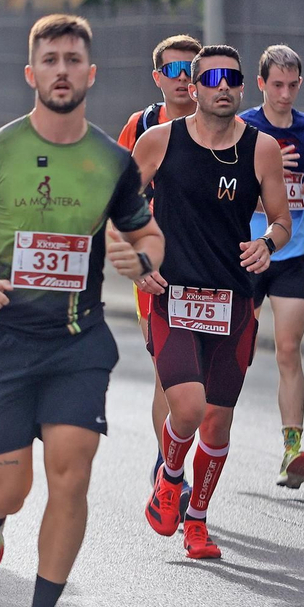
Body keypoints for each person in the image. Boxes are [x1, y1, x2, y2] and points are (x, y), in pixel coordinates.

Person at [0, 14, 166, 607]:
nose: (62, 70)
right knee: (9, 489)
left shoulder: (111, 161)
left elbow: (146, 232)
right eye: (51, 60)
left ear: (91, 73)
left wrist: (143, 258)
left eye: (73, 60)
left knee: (72, 470)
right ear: (31, 73)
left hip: (76, 341)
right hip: (3, 342)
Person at [131, 44, 292, 560]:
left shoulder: (262, 149)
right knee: (188, 406)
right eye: (212, 78)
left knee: (218, 421)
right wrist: (139, 260)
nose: (223, 86)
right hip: (173, 295)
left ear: (242, 87)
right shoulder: (159, 141)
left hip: (233, 300)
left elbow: (282, 221)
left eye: (232, 78)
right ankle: (169, 477)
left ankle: (196, 521)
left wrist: (267, 244)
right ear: (195, 88)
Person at [240, 44, 304, 488]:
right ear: (261, 84)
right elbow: (228, 188)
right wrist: (268, 185)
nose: (285, 94)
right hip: (249, 252)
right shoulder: (244, 128)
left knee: (288, 350)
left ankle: (292, 450)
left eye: (292, 85)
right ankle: (206, 437)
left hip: (292, 255)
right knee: (233, 349)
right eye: (277, 85)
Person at [116, 34, 201, 494]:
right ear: (157, 78)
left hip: (211, 263)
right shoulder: (142, 125)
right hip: (158, 264)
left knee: (206, 379)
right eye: (173, 70)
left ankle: (179, 462)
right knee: (165, 371)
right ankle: (171, 472)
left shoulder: (226, 124)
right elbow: (120, 197)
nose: (184, 78)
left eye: (191, 68)